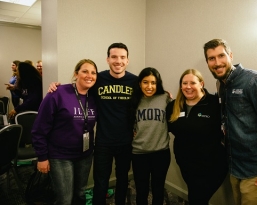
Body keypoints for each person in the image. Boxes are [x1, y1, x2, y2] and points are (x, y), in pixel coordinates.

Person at [203, 38, 257, 205]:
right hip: (235, 167)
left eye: (221, 56)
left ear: (231, 55)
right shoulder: (221, 85)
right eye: (211, 58)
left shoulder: (256, 81)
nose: (217, 62)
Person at [48, 43, 137, 205]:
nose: (118, 61)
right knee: (100, 182)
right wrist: (57, 87)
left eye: (122, 57)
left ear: (128, 60)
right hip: (103, 142)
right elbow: (80, 87)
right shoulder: (98, 78)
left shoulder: (135, 81)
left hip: (126, 141)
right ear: (108, 59)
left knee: (123, 180)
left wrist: (164, 93)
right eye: (114, 57)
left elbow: (150, 92)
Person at [32, 59, 98, 205]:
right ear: (76, 74)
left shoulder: (94, 97)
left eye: (93, 73)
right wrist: (42, 157)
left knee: (80, 193)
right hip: (60, 156)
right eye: (85, 71)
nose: (89, 75)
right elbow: (39, 128)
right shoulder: (58, 93)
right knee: (65, 199)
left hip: (85, 155)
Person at [166, 69, 228, 205]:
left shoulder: (214, 104)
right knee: (197, 197)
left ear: (201, 84)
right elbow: (164, 127)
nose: (188, 87)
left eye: (192, 83)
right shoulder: (173, 105)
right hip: (186, 165)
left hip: (212, 166)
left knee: (197, 199)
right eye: (184, 83)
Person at [130, 67, 171, 205]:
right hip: (139, 153)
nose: (149, 86)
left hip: (161, 153)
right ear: (140, 83)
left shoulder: (165, 98)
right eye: (145, 82)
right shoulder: (134, 100)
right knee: (141, 191)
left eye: (153, 83)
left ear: (158, 84)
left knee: (158, 190)